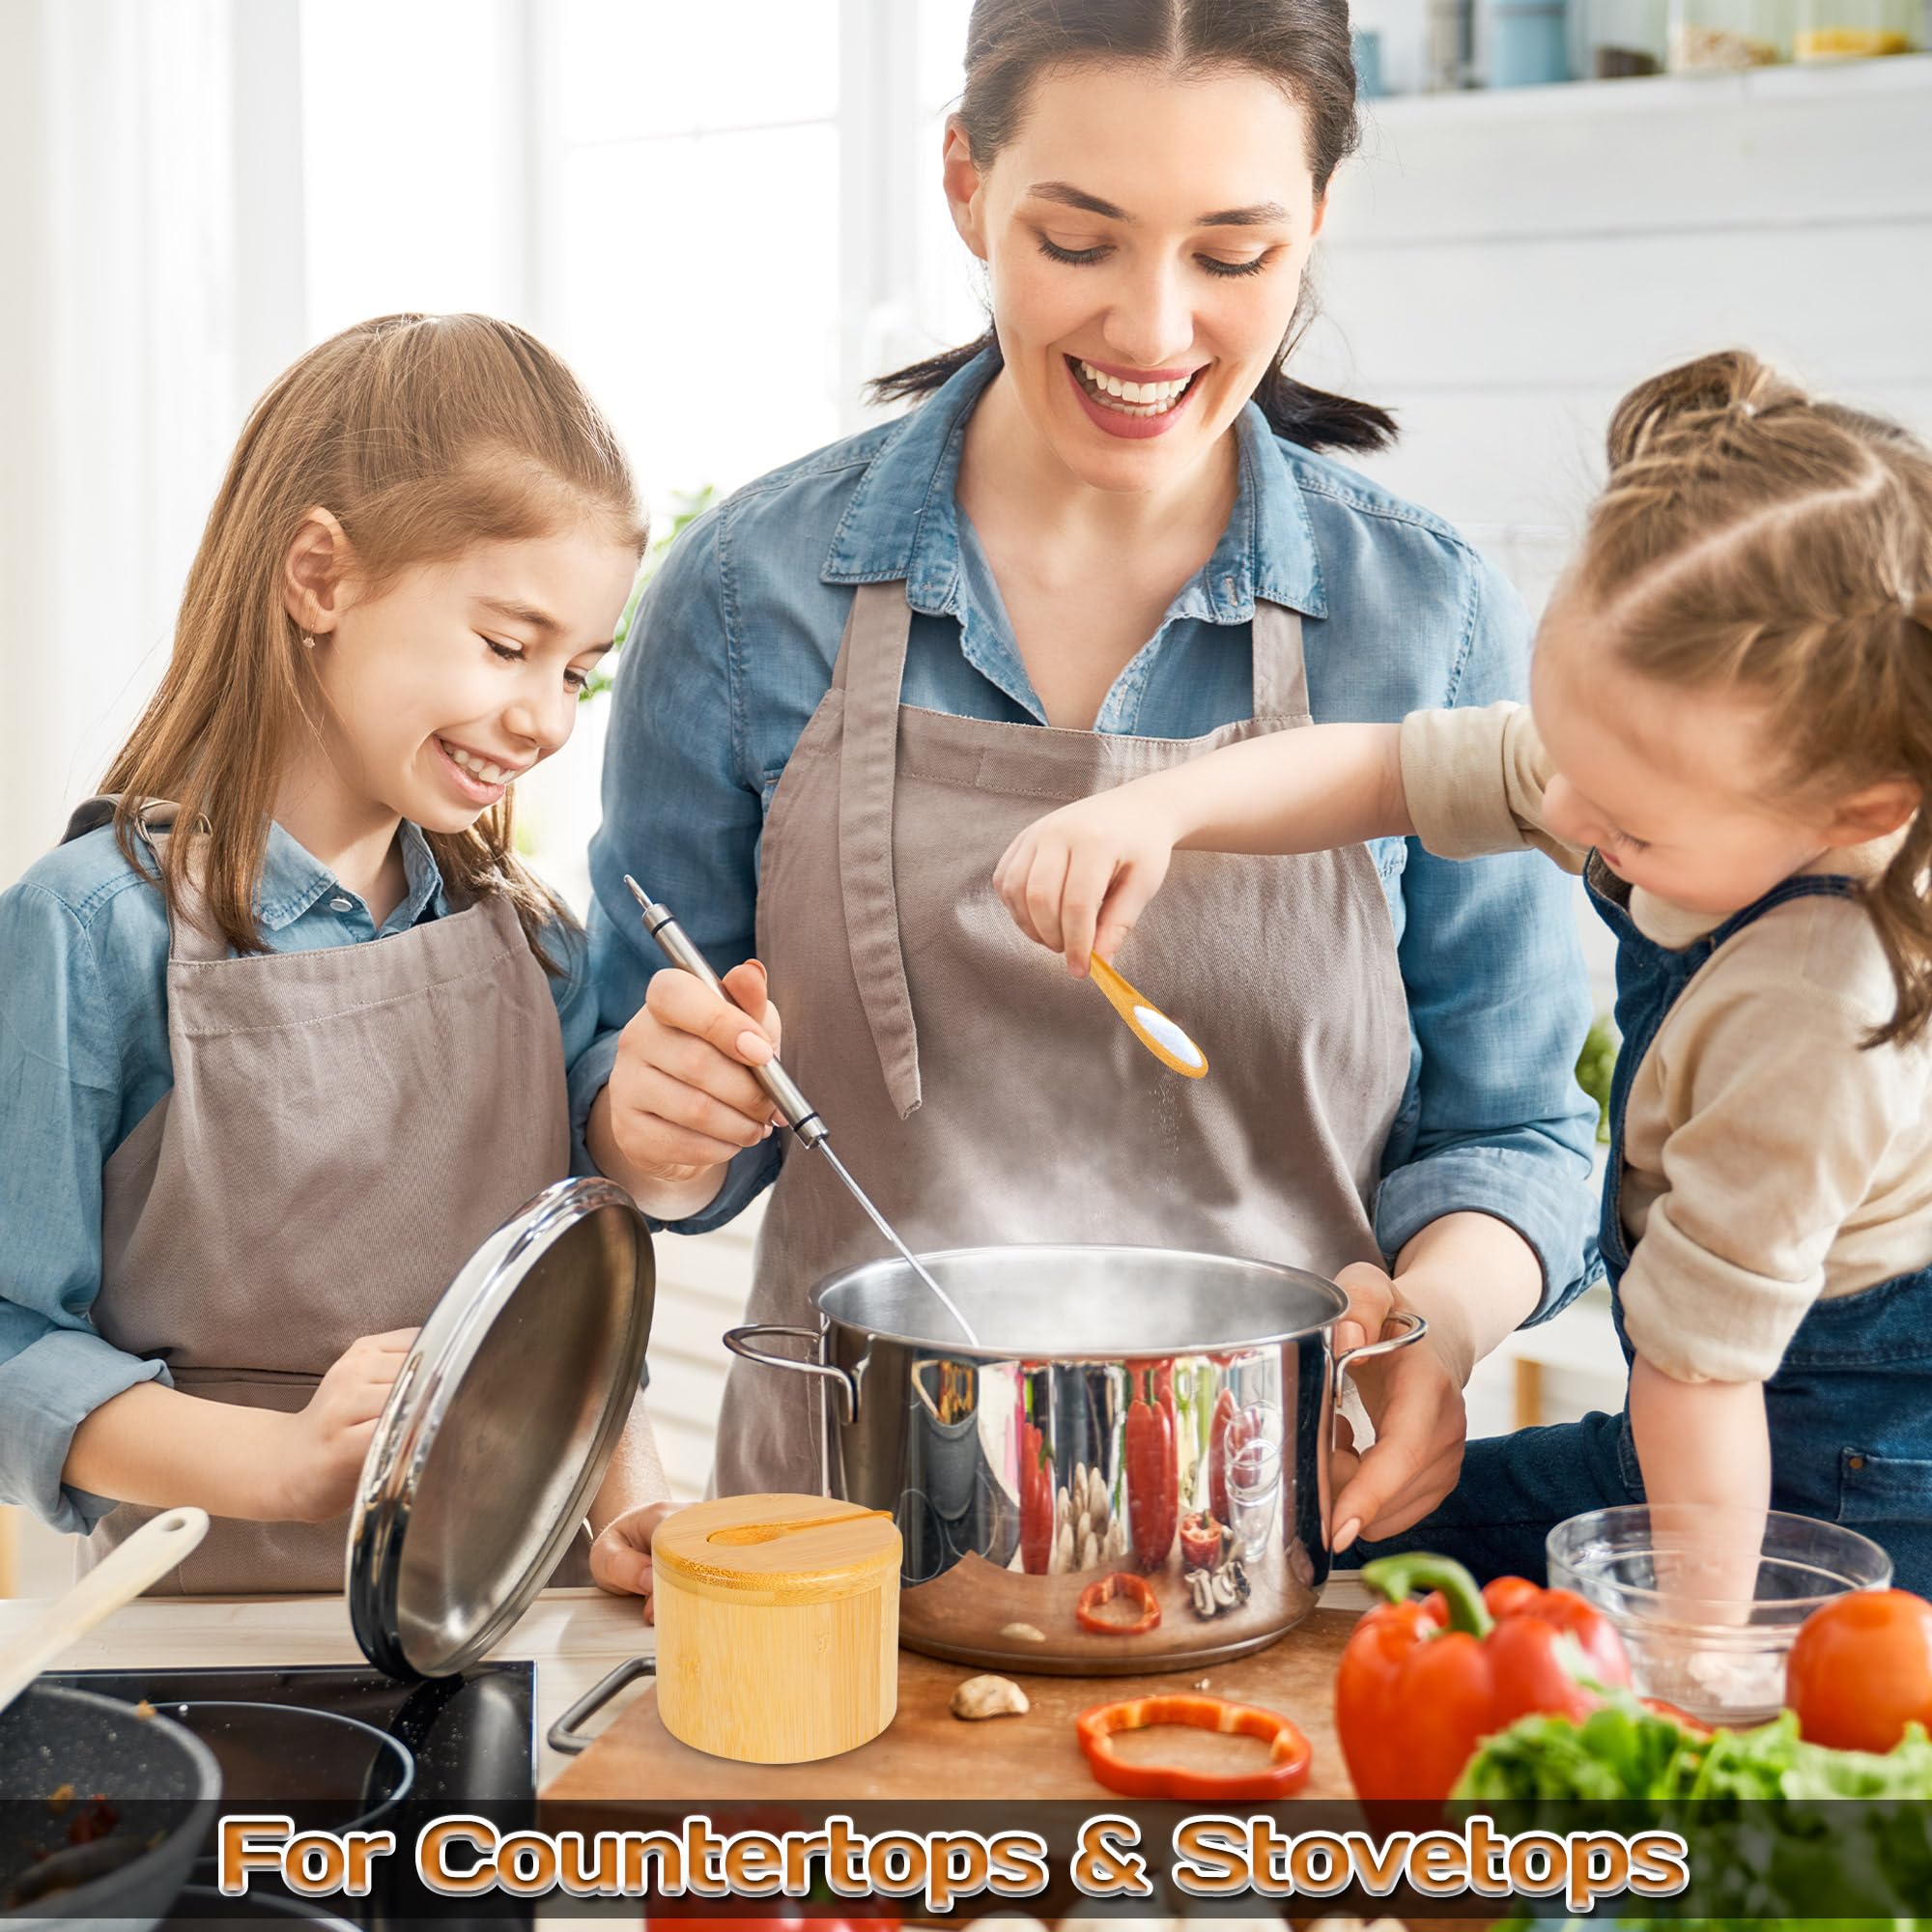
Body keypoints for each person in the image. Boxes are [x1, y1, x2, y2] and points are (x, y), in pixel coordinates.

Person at [577, 0, 1599, 1521]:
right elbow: (629, 1109)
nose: (1152, 330)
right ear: (966, 184)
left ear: (1318, 218)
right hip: (842, 1542)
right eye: (1078, 242)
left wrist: (1434, 1333)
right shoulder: (745, 598)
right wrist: (649, 1122)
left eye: (1232, 255)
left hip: (1279, 1521)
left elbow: (1515, 1132)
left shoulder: (1426, 617)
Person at [997, 349, 1932, 1588]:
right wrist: (1158, 809)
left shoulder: (1812, 1018)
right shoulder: (1679, 770)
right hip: (1707, 1424)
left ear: (1856, 808)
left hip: (1831, 1483)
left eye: (1625, 825)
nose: (1559, 808)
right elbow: (1383, 768)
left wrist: (1692, 1662)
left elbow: (1700, 1390)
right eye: (1561, 753)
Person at [0, 314, 674, 1596]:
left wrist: (629, 1502)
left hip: (519, 1627)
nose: (545, 718)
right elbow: (9, 1343)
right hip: (209, 1656)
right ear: (319, 577)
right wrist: (285, 1464)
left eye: (578, 673)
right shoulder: (88, 929)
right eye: (507, 645)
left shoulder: (532, 945)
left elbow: (578, 1313)